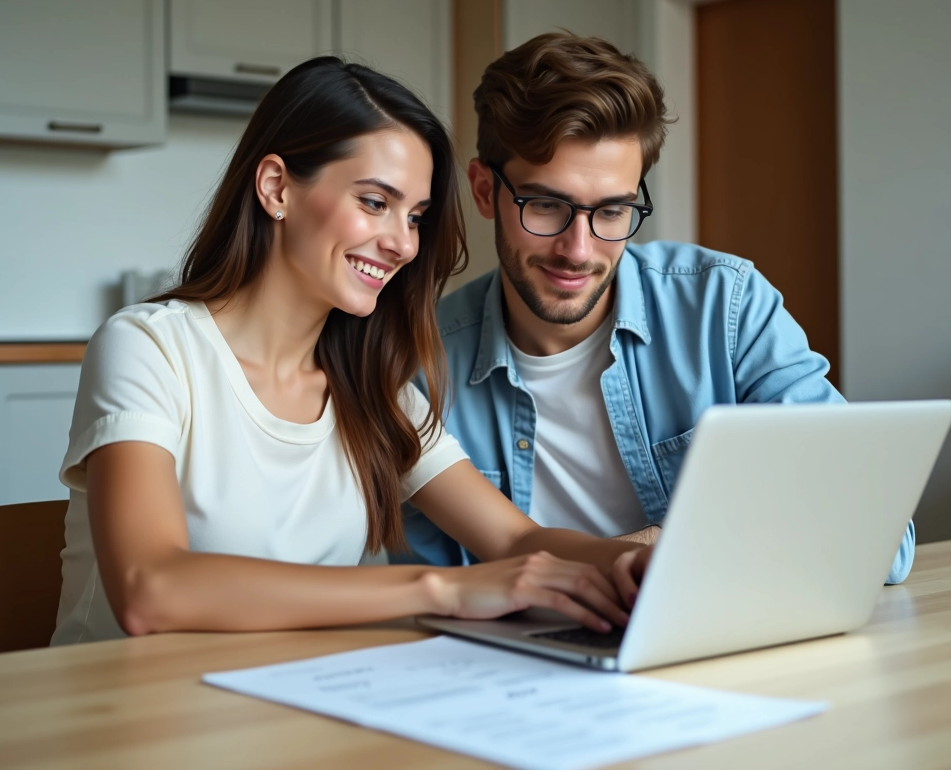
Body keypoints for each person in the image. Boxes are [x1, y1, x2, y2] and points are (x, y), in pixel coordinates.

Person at [51, 57, 653, 646]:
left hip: (283, 711)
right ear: (276, 187)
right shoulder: (151, 348)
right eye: (374, 202)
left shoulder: (374, 390)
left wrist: (634, 563)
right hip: (125, 720)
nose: (402, 243)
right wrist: (440, 588)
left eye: (415, 216)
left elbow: (517, 543)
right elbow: (150, 589)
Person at [399, 33, 916, 584]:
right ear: (483, 191)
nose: (579, 249)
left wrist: (659, 549)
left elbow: (882, 540)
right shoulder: (421, 366)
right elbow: (437, 601)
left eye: (613, 211)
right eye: (546, 205)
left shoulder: (726, 308)